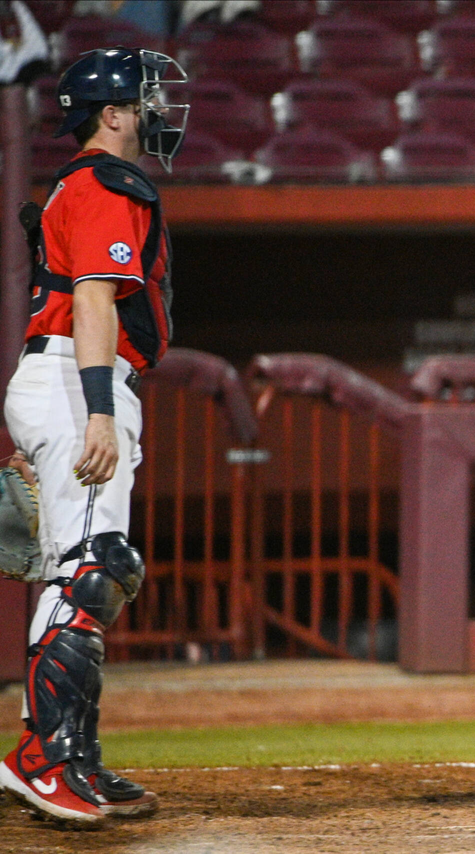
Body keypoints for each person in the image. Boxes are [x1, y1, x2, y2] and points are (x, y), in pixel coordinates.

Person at [0, 47, 187, 826]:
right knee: (87, 571)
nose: (154, 112)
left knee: (91, 571)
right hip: (83, 379)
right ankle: (43, 761)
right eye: (142, 100)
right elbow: (94, 303)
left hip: (68, 379)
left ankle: (68, 752)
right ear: (110, 113)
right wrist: (99, 409)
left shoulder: (78, 184)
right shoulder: (108, 180)